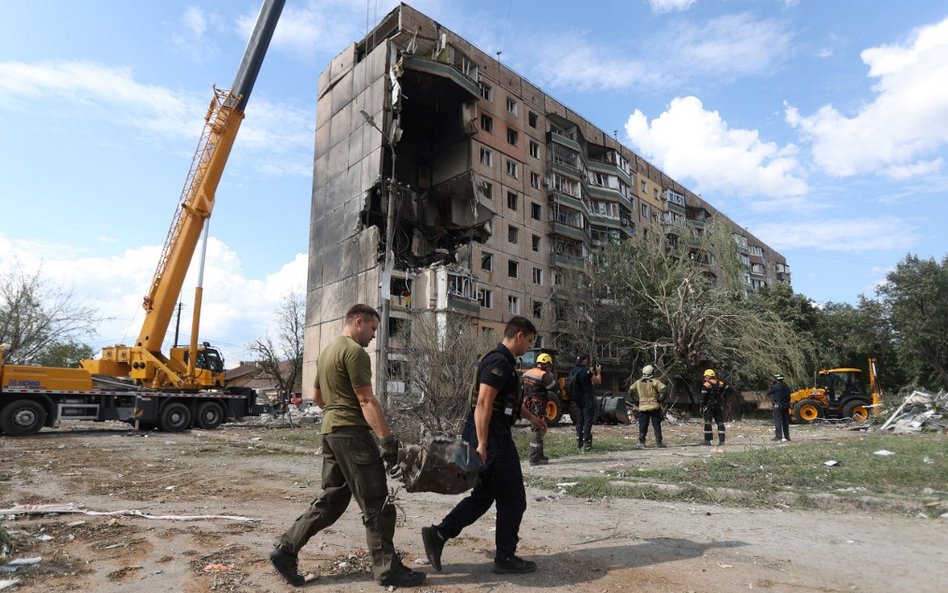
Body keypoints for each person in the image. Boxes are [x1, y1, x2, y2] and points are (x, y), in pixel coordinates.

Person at [269, 304, 425, 588]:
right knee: (376, 502)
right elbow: (366, 400)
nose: (374, 336)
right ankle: (388, 569)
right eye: (373, 329)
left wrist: (336, 413)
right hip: (352, 435)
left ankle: (285, 548)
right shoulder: (354, 352)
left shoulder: (327, 352)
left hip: (331, 432)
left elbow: (316, 395)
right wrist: (387, 440)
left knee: (333, 499)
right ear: (358, 321)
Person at [421, 316, 547, 575]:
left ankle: (439, 533)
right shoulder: (498, 362)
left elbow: (506, 402)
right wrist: (481, 443)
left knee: (483, 496)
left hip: (493, 432)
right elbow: (483, 404)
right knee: (513, 498)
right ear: (520, 335)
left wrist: (533, 418)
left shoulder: (507, 364)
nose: (529, 347)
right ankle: (505, 557)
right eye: (530, 341)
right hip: (491, 435)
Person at [522, 352, 557, 465]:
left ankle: (540, 455)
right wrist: (551, 377)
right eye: (549, 365)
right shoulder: (544, 375)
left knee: (540, 428)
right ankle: (534, 458)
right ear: (546, 364)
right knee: (538, 429)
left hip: (527, 403)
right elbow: (554, 388)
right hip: (538, 405)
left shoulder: (527, 373)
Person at [628, 364, 668, 448]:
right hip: (654, 406)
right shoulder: (655, 381)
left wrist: (636, 400)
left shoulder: (638, 382)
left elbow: (630, 391)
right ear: (652, 372)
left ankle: (642, 443)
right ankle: (658, 442)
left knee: (643, 426)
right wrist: (660, 400)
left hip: (642, 407)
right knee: (656, 425)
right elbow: (664, 389)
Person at [569, 353, 601, 451]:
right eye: (587, 359)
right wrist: (598, 372)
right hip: (587, 399)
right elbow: (597, 381)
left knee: (580, 420)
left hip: (577, 399)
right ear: (584, 360)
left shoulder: (573, 371)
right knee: (588, 421)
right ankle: (587, 444)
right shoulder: (586, 371)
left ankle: (579, 442)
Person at [700, 368, 728, 446]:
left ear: (709, 376)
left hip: (708, 406)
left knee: (708, 422)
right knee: (720, 422)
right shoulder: (721, 383)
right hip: (718, 405)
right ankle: (722, 441)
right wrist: (723, 397)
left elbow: (703, 397)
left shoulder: (706, 384)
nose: (705, 378)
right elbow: (729, 389)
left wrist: (701, 406)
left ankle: (707, 441)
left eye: (705, 376)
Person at [767, 373, 791, 442]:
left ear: (776, 379)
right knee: (785, 421)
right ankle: (787, 437)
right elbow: (789, 396)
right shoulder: (786, 386)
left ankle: (779, 436)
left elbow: (768, 393)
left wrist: (772, 385)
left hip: (778, 405)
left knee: (778, 421)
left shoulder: (775, 386)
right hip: (786, 405)